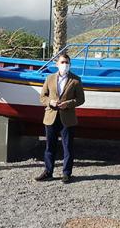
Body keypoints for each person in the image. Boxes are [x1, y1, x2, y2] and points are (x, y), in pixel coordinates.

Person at [35, 53, 85, 183]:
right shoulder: (49, 78)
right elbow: (42, 97)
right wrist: (50, 102)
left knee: (68, 147)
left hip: (67, 118)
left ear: (70, 65)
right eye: (62, 62)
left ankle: (67, 173)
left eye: (67, 63)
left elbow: (81, 99)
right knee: (49, 146)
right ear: (57, 64)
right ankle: (48, 171)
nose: (65, 65)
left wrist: (68, 104)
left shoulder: (76, 80)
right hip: (51, 116)